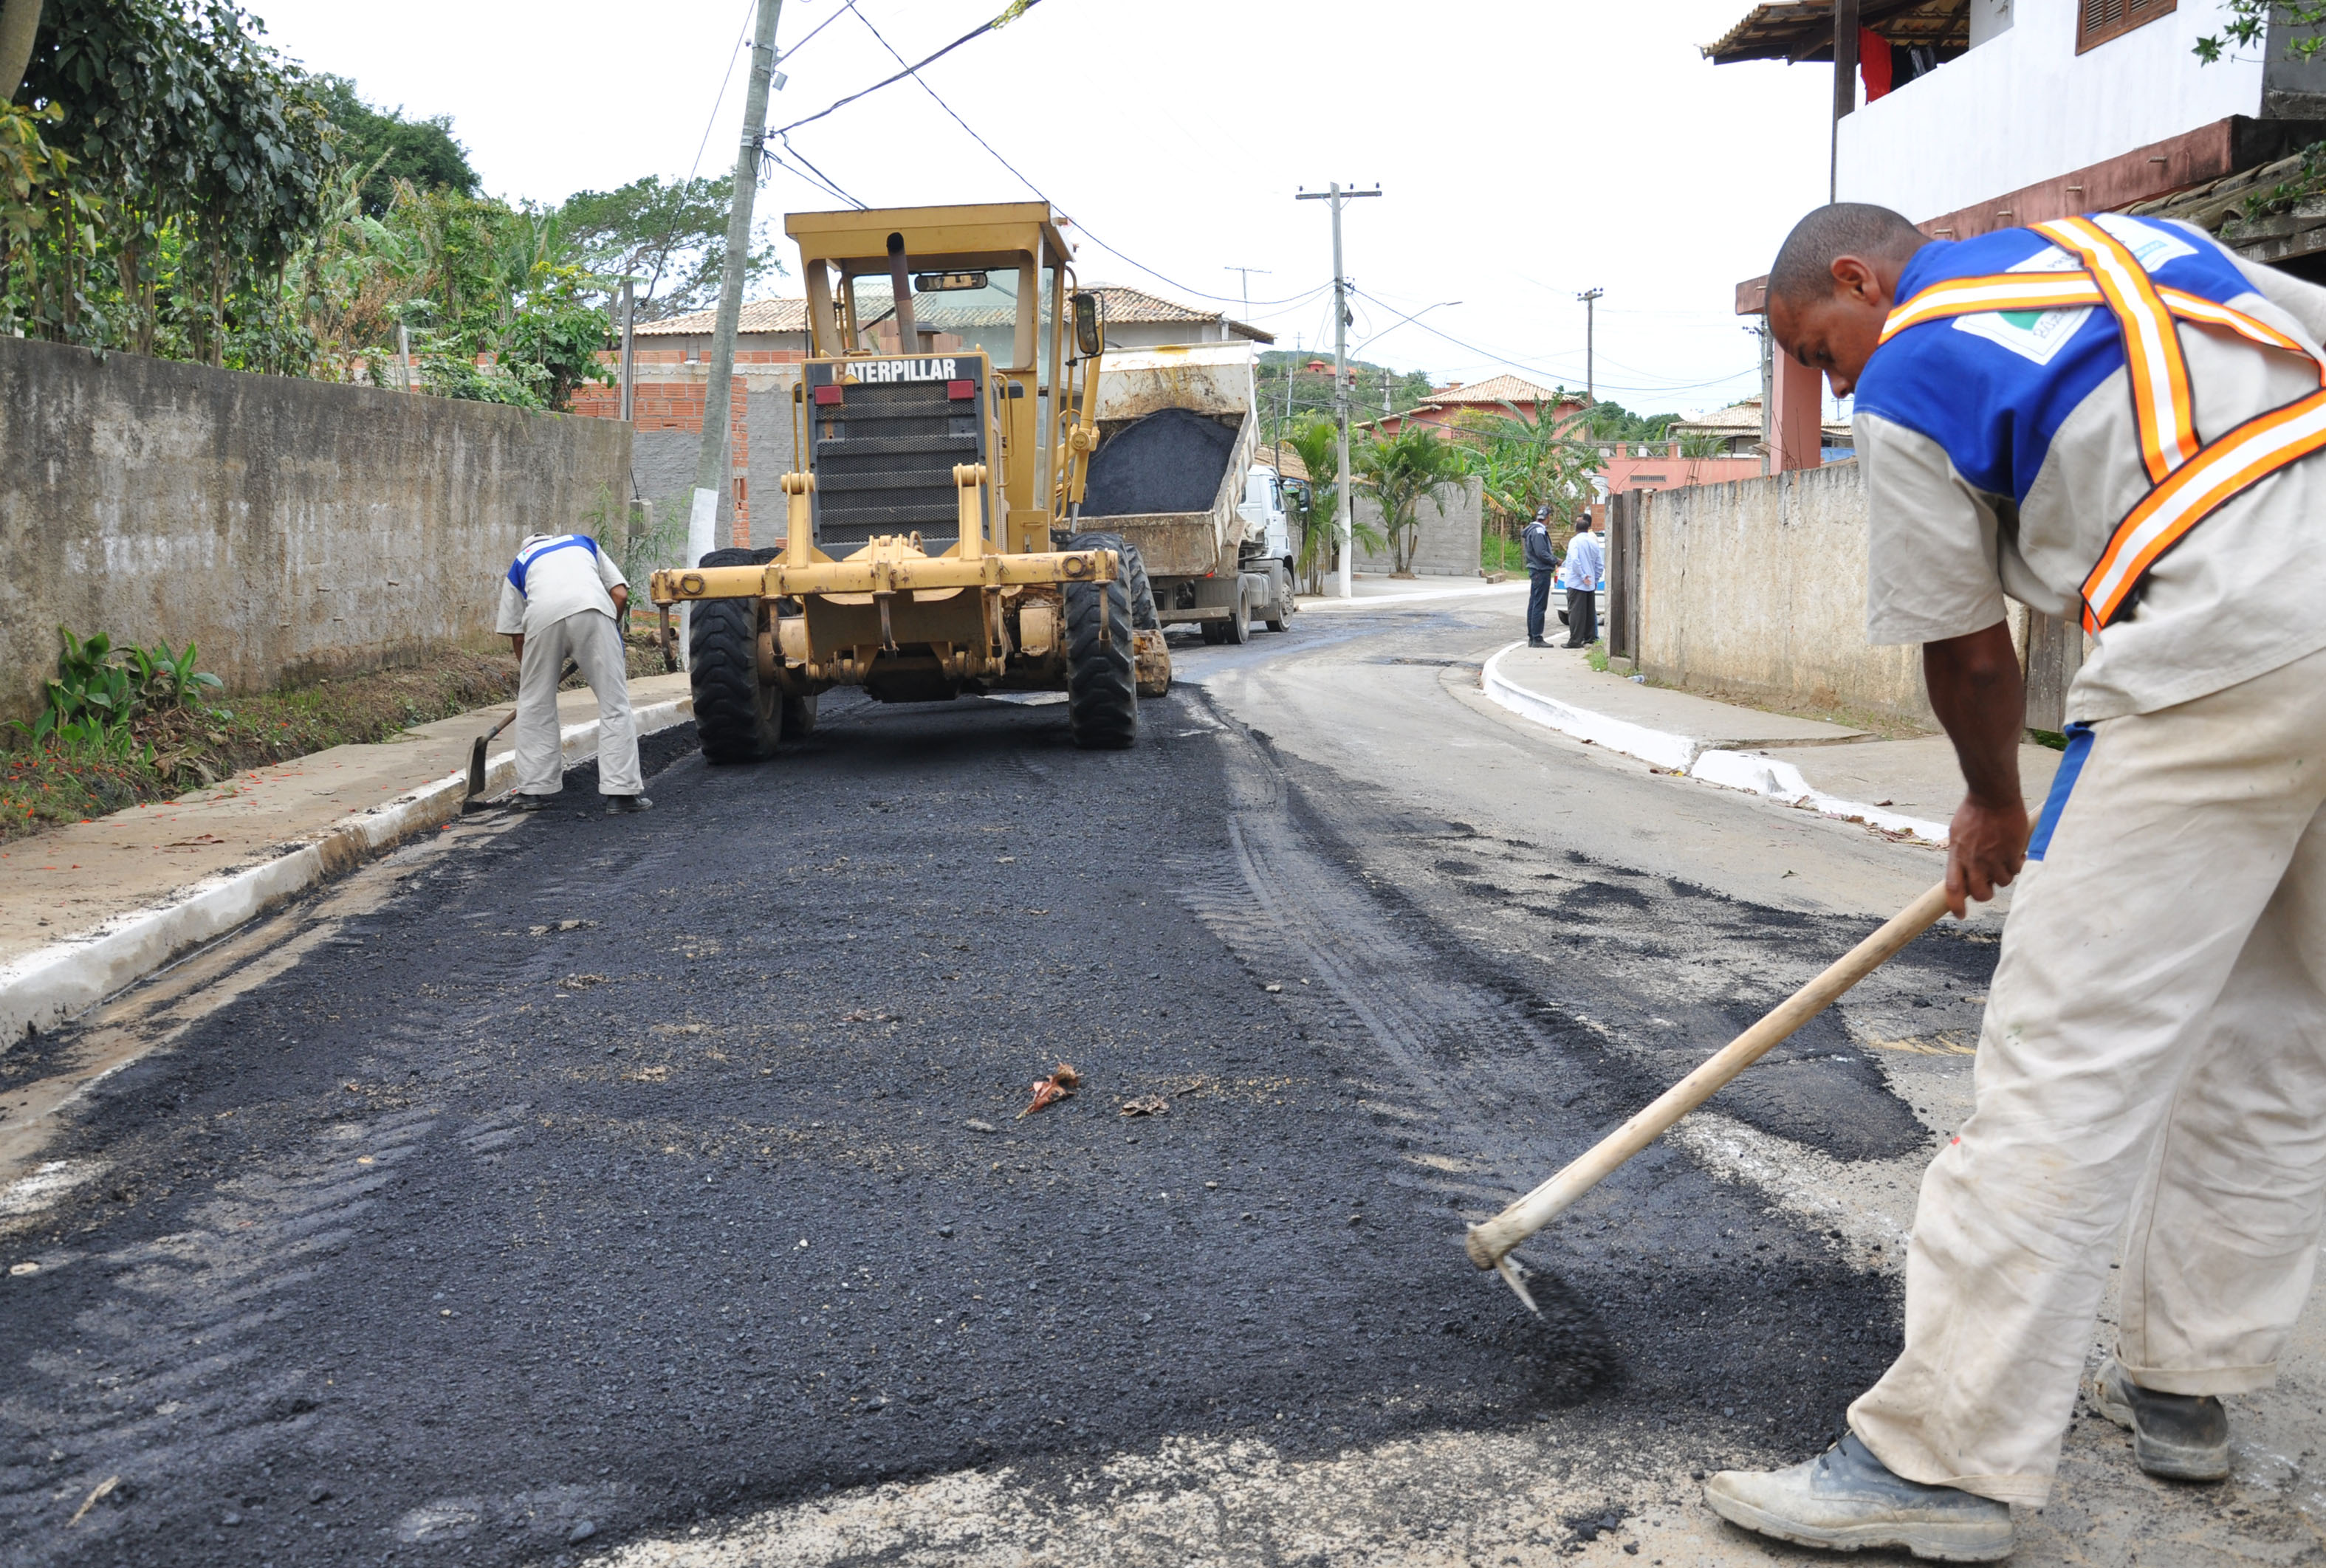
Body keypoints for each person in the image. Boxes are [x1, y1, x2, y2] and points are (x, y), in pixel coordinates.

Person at [1703, 201, 2326, 1562]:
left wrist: (1993, 796)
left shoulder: (1922, 364)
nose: (1837, 383)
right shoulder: (2151, 248)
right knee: (2280, 1028)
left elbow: (1967, 650)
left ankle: (1938, 1459)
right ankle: (2188, 1383)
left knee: (2065, 1056)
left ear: (1861, 277)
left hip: (2227, 646)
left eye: (1821, 349)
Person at [495, 531, 650, 813]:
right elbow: (619, 593)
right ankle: (621, 794)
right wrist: (603, 632)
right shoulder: (583, 543)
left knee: (534, 705)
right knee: (614, 705)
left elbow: (517, 636)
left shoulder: (520, 562)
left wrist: (537, 677)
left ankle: (531, 792)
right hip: (593, 610)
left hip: (542, 621)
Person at [1560, 517, 1603, 648]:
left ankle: (1575, 641)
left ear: (1576, 529)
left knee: (1576, 612)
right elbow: (1599, 565)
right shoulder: (1593, 542)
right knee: (1589, 613)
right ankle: (1589, 639)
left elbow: (1574, 560)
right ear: (1587, 528)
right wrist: (1594, 580)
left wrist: (1583, 576)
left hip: (1577, 583)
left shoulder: (1575, 541)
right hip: (1590, 585)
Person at [1521, 505, 1561, 646]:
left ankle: (1533, 637)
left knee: (1534, 604)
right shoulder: (1538, 532)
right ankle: (1536, 638)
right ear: (1548, 517)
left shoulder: (1533, 530)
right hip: (1540, 570)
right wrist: (1556, 560)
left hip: (1536, 570)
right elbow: (1541, 553)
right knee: (1538, 605)